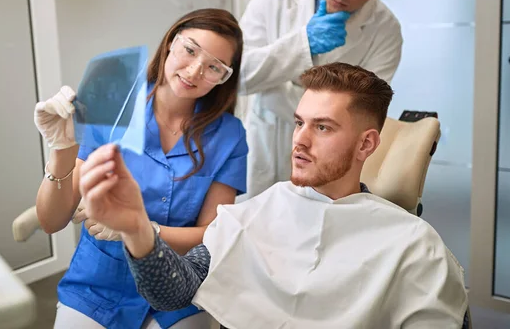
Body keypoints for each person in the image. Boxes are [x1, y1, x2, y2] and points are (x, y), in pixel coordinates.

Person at [79, 63, 468, 328]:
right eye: (299, 122)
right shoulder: (260, 211)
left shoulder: (413, 244)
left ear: (367, 144)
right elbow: (174, 291)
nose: (299, 139)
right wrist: (137, 231)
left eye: (323, 128)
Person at [33, 8, 248, 328]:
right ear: (171, 43)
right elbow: (51, 221)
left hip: (177, 288)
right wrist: (62, 150)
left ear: (224, 77)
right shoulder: (113, 104)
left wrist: (142, 232)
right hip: (98, 286)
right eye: (190, 50)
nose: (194, 71)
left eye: (213, 67)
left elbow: (211, 234)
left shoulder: (228, 135)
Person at [239, 0, 407, 198]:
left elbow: (366, 111)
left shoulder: (385, 30)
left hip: (330, 169)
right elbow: (237, 78)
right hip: (265, 148)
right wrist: (302, 44)